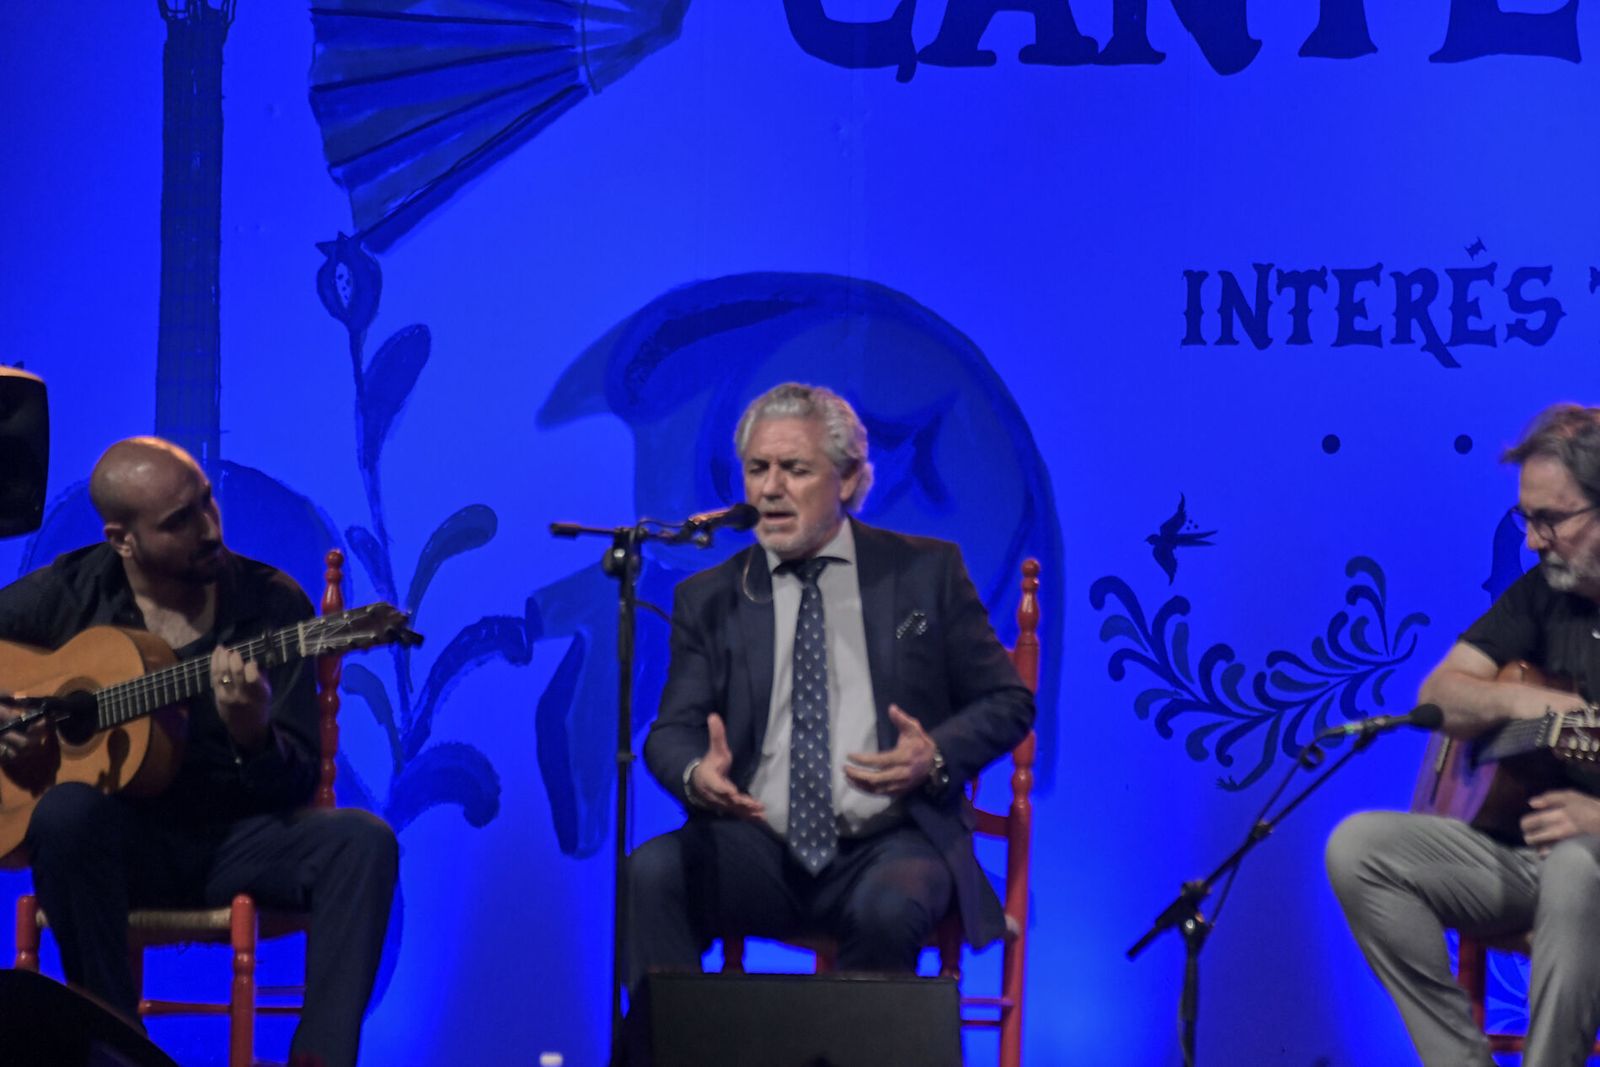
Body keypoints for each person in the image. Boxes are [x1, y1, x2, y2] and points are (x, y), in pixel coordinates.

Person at [626, 383, 1035, 1012]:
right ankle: (680, 1051)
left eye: (794, 469)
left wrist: (934, 755)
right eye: (757, 469)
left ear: (846, 480)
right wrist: (694, 773)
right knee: (650, 874)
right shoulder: (710, 598)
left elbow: (1008, 701)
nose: (769, 489)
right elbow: (671, 731)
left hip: (894, 839)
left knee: (887, 908)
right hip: (757, 843)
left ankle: (853, 1056)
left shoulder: (924, 574)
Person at [0, 437, 397, 1067]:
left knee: (363, 841)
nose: (209, 529)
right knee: (64, 814)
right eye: (179, 521)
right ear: (122, 540)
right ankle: (118, 1050)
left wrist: (254, 734)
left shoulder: (271, 605)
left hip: (234, 840)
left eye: (207, 502)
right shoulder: (74, 591)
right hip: (116, 851)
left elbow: (296, 782)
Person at [1327, 403, 1600, 1066]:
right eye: (1525, 518)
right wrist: (1529, 700)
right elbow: (1439, 695)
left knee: (1576, 866)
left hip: (1584, 868)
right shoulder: (1542, 594)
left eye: (1550, 519)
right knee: (1359, 847)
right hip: (1523, 861)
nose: (1532, 541)